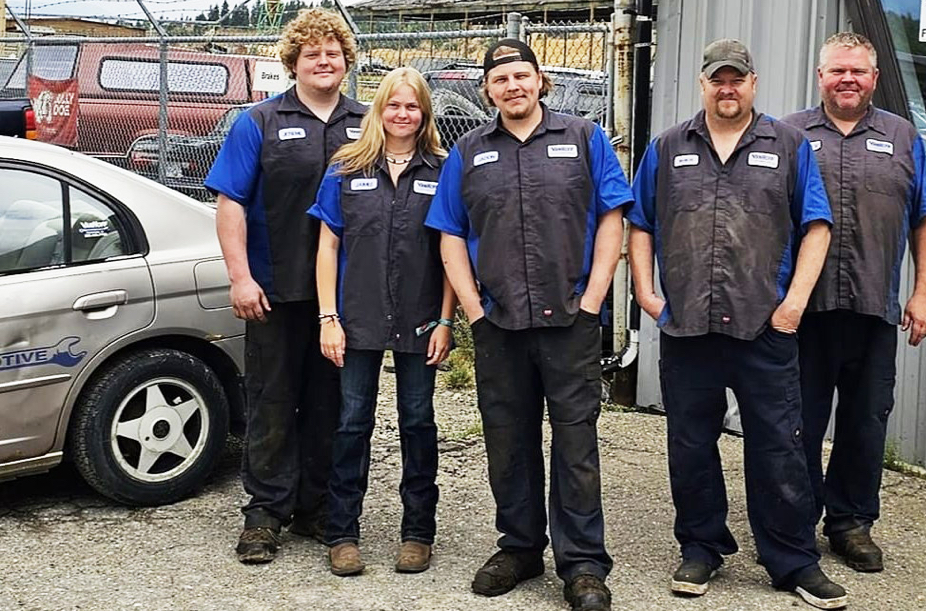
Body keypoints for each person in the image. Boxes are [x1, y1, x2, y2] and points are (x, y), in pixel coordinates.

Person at [627, 38, 848, 609]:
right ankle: (701, 547)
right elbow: (642, 223)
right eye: (717, 79)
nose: (728, 89)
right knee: (691, 444)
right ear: (703, 84)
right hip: (687, 328)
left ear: (753, 83)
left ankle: (792, 559)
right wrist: (646, 293)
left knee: (778, 446)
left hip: (764, 326)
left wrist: (794, 303)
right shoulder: (669, 146)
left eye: (738, 79)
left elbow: (817, 227)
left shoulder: (790, 145)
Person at [425, 38, 632, 611]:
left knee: (575, 442)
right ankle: (519, 547)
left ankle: (584, 564)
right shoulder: (467, 152)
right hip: (500, 324)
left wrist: (593, 299)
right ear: (487, 90)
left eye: (522, 76)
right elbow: (449, 233)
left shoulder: (585, 139)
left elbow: (614, 214)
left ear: (540, 81)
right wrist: (473, 311)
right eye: (500, 80)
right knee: (507, 441)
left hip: (571, 319)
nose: (512, 86)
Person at [204, 8, 367, 564]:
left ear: (347, 60)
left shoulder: (365, 124)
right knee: (272, 402)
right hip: (272, 291)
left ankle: (315, 507)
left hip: (342, 300)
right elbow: (230, 204)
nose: (324, 61)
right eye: (311, 53)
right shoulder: (259, 121)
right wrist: (241, 277)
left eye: (333, 52)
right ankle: (264, 513)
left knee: (330, 405)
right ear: (292, 62)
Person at [782, 32, 926, 573]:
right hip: (802, 311)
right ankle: (795, 523)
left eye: (858, 71)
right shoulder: (788, 135)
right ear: (820, 75)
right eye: (836, 71)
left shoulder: (901, 136)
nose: (847, 79)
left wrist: (921, 293)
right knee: (797, 419)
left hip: (874, 306)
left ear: (874, 78)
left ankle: (850, 523)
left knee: (866, 420)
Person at [308, 67, 455, 577]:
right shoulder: (346, 168)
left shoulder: (443, 168)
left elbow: (452, 250)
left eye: (412, 106)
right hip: (357, 317)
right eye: (393, 105)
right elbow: (328, 245)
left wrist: (445, 320)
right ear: (378, 110)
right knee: (352, 423)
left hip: (420, 319)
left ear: (424, 114)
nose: (402, 114)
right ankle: (342, 532)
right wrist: (329, 317)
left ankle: (418, 533)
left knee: (418, 422)